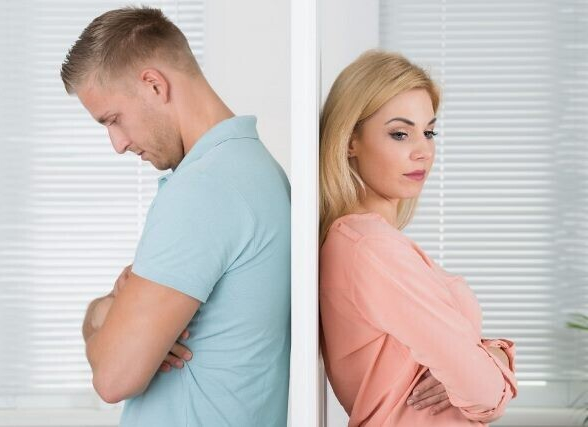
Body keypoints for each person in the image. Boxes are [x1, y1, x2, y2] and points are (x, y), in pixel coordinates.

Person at [61, 6, 291, 426]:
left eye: (113, 119)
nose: (117, 144)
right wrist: (107, 312)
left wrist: (104, 330)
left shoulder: (206, 188)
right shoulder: (254, 169)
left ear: (154, 84)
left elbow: (111, 378)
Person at [318, 49, 518, 426]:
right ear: (349, 141)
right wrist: (495, 360)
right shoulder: (371, 247)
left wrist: (491, 356)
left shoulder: (361, 241)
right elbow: (484, 395)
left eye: (428, 132)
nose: (423, 150)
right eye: (400, 133)